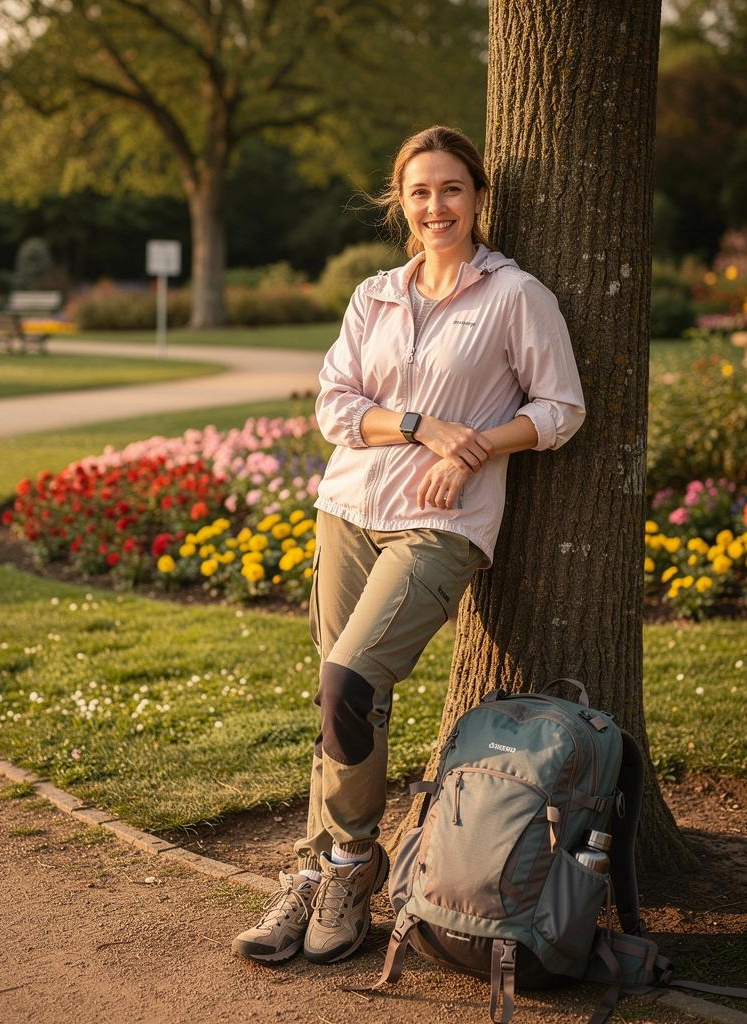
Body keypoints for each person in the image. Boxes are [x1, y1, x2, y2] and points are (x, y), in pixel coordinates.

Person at [232, 125, 586, 966]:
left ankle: (348, 866)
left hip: (440, 528)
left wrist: (478, 446)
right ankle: (322, 873)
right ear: (402, 201)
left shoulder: (515, 296)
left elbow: (562, 409)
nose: (437, 207)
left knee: (346, 685)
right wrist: (429, 428)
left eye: (453, 190)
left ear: (479, 197)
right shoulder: (374, 295)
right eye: (421, 192)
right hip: (348, 507)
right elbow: (334, 406)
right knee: (342, 701)